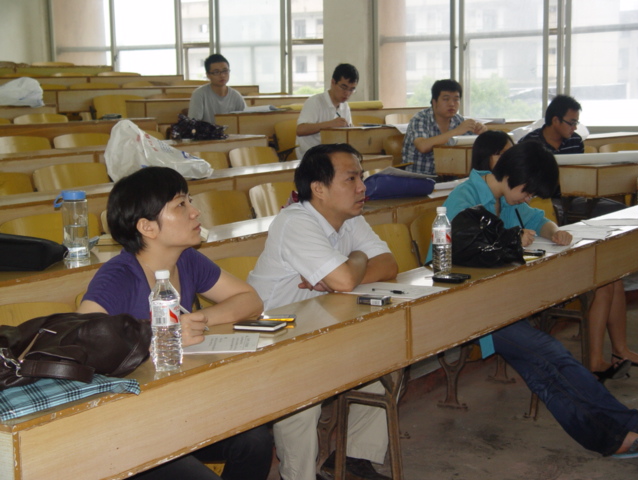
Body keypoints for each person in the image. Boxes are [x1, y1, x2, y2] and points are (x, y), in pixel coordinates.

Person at [428, 141, 638, 459]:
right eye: (527, 192)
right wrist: (510, 239)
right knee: (550, 354)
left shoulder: (507, 198)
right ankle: (622, 430)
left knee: (543, 368)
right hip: (464, 306)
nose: (527, 199)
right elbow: (455, 252)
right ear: (512, 175)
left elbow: (538, 219)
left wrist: (554, 232)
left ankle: (615, 435)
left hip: (499, 302)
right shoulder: (465, 197)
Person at [77, 166, 272, 480]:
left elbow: (250, 299)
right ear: (147, 227)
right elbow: (81, 342)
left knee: (255, 441)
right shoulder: (118, 276)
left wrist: (198, 320)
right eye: (181, 205)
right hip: (128, 425)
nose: (195, 212)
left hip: (177, 406)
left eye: (189, 201)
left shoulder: (187, 259)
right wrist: (157, 338)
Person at [247, 143, 399, 480]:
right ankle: (297, 476)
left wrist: (348, 270)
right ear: (318, 188)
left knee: (385, 361)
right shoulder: (296, 222)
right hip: (272, 335)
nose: (362, 187)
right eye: (351, 179)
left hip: (318, 323)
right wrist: (356, 260)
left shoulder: (350, 218)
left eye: (361, 177)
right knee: (303, 393)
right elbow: (344, 280)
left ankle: (353, 459)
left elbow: (389, 265)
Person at [518, 95, 638, 377]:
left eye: (576, 123)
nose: (574, 128)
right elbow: (537, 199)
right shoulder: (531, 146)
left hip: (570, 206)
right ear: (554, 120)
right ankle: (598, 359)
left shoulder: (574, 142)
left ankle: (620, 349)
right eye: (571, 123)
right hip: (548, 205)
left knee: (613, 272)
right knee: (603, 277)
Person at [402, 79, 487, 176]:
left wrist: (482, 134)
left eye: (456, 99)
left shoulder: (459, 120)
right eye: (446, 99)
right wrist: (457, 131)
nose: (452, 104)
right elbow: (423, 146)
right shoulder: (420, 118)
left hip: (451, 177)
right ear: (434, 102)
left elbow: (475, 148)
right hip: (419, 178)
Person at [295, 63, 358, 157]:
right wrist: (330, 124)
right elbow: (300, 130)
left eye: (351, 89)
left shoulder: (345, 106)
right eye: (343, 87)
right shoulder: (315, 102)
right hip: (311, 155)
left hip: (333, 154)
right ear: (333, 82)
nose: (347, 93)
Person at [188, 53, 246, 125]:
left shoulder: (236, 95)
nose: (222, 75)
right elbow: (193, 123)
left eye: (225, 71)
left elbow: (244, 121)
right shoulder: (199, 94)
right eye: (216, 72)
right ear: (208, 75)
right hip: (207, 132)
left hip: (231, 132)